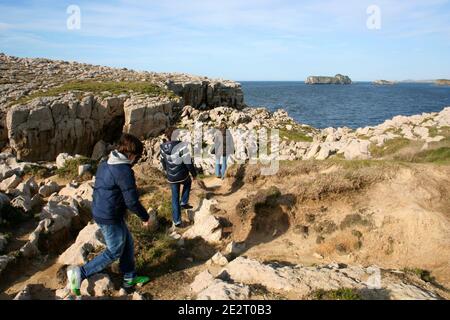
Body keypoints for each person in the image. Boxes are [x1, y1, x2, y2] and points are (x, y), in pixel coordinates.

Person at [66, 133, 151, 297]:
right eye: (137, 157)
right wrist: (145, 217)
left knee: (127, 243)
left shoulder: (106, 162)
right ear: (131, 155)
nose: (136, 161)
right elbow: (132, 201)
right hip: (110, 215)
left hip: (102, 210)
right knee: (114, 251)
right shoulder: (124, 170)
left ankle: (129, 277)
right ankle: (79, 273)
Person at [160, 127, 197, 229]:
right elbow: (188, 162)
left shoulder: (162, 147)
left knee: (174, 198)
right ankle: (184, 202)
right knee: (188, 182)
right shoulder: (181, 146)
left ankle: (177, 221)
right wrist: (194, 174)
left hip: (171, 177)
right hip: (182, 175)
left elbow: (163, 162)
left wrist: (167, 171)